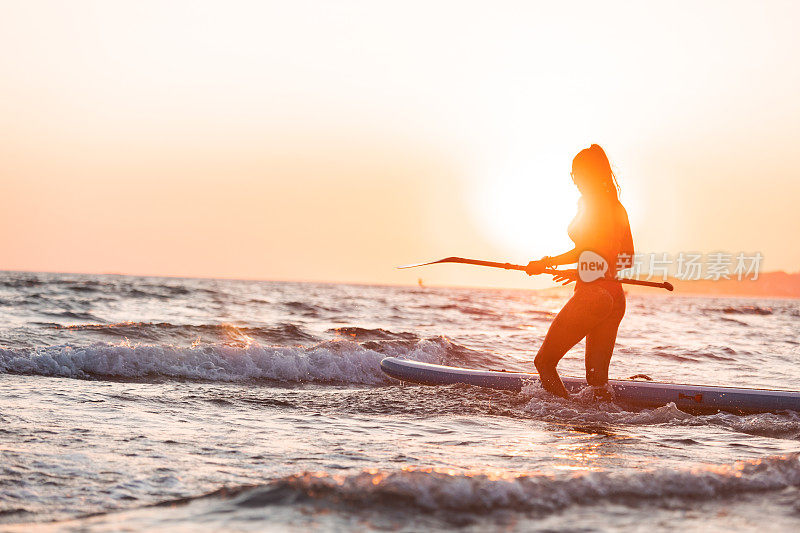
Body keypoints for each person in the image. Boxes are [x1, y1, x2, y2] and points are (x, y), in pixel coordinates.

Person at [525, 144, 634, 399]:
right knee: (597, 382)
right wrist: (575, 267)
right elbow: (626, 258)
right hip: (615, 298)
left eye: (577, 175)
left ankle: (566, 414)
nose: (575, 182)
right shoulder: (617, 207)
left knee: (544, 363)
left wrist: (558, 265)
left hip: (593, 295)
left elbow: (589, 251)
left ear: (590, 174)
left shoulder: (590, 204)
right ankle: (600, 428)